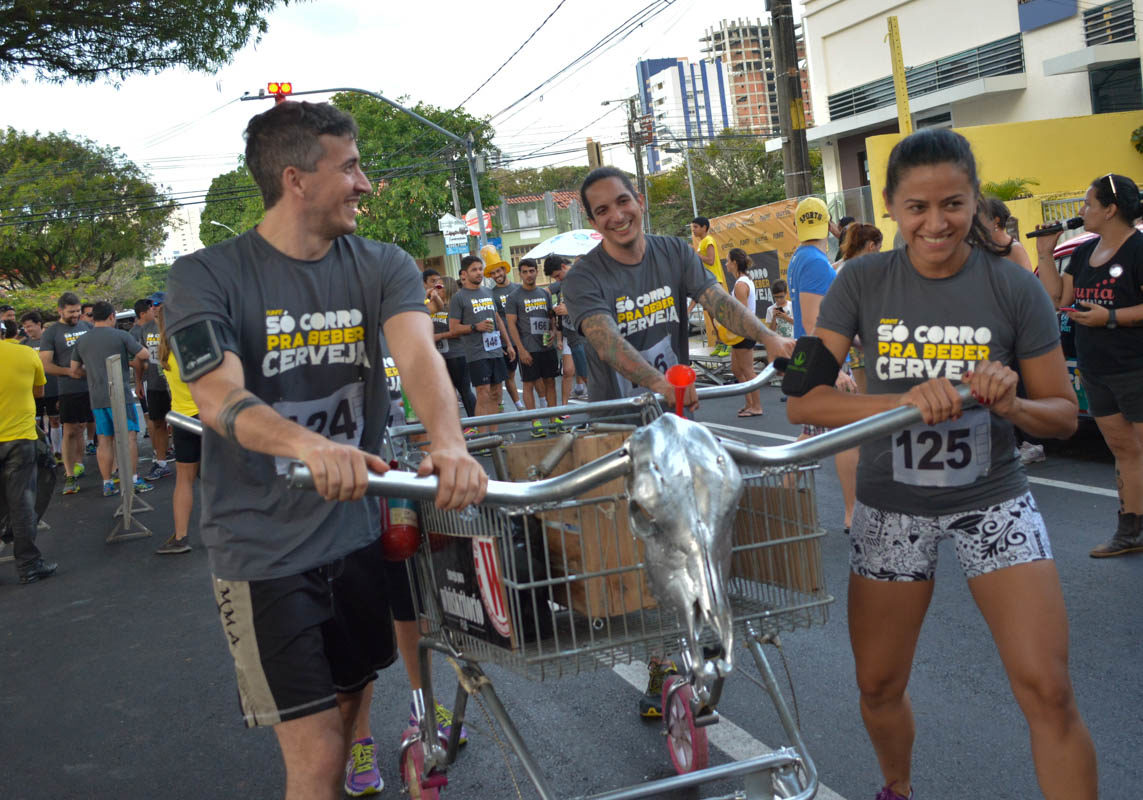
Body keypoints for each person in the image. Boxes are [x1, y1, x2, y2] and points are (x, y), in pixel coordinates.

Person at [163, 100, 485, 800]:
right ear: (296, 180)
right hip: (263, 551)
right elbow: (216, 396)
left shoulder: (382, 265)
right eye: (350, 166)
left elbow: (419, 357)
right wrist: (306, 444)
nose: (365, 183)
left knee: (348, 710)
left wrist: (450, 444)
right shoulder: (204, 276)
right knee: (312, 759)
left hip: (354, 534)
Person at [788, 127, 1096, 800]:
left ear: (973, 201)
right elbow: (800, 401)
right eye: (917, 208)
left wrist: (1012, 403)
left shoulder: (1013, 288)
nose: (936, 223)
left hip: (994, 500)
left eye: (951, 204)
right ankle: (895, 787)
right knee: (877, 683)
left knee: (1048, 690)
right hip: (890, 510)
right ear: (892, 210)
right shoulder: (858, 282)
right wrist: (902, 400)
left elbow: (1063, 416)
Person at [563, 166, 794, 715]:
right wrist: (655, 383)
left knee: (694, 533)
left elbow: (716, 300)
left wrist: (769, 338)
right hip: (620, 424)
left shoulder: (673, 252)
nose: (617, 215)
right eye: (603, 211)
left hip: (679, 420)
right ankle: (659, 657)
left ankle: (694, 633)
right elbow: (605, 340)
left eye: (623, 202)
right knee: (641, 542)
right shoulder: (583, 278)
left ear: (639, 200)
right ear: (593, 222)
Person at [1035, 172, 1143, 558]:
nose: (1081, 211)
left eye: (1088, 204)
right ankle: (1130, 528)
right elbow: (1054, 297)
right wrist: (1046, 253)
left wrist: (1111, 318)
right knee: (1123, 448)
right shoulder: (1082, 252)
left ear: (1111, 210)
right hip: (1096, 367)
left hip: (1135, 365)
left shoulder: (1138, 250)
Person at [788, 197, 860, 532]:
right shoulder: (815, 262)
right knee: (847, 436)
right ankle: (851, 514)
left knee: (811, 437)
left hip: (809, 357)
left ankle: (780, 505)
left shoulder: (801, 258)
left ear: (797, 226)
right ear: (827, 224)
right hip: (822, 359)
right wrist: (837, 370)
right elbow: (816, 321)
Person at [70, 301, 154, 497]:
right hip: (121, 395)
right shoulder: (121, 335)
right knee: (130, 437)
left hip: (97, 396)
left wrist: (91, 372)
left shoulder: (82, 341)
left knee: (105, 440)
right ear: (111, 316)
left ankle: (107, 483)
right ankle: (133, 479)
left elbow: (74, 370)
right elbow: (144, 354)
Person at [0, 319, 56, 584]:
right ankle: (29, 565)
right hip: (19, 438)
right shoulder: (24, 353)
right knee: (21, 502)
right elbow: (39, 390)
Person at [449, 254, 515, 431]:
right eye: (474, 270)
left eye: (480, 269)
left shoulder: (488, 292)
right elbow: (454, 329)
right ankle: (482, 436)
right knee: (483, 393)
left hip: (495, 349)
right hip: (476, 352)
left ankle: (493, 436)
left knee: (497, 393)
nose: (479, 273)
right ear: (464, 274)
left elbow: (497, 319)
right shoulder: (459, 297)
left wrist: (507, 343)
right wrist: (475, 327)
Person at [39, 292, 93, 494]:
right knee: (70, 430)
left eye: (78, 311)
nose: (76, 315)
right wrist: (69, 371)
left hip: (92, 387)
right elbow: (45, 365)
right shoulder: (51, 333)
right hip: (69, 389)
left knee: (89, 429)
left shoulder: (87, 326)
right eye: (71, 312)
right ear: (60, 310)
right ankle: (70, 475)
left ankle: (91, 467)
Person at [154, 306, 196, 555]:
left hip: (182, 419)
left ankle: (180, 536)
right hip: (204, 417)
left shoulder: (165, 350)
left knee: (184, 480)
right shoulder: (192, 347)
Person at [505, 257, 561, 435]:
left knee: (550, 382)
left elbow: (550, 317)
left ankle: (554, 419)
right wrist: (520, 349)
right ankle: (535, 423)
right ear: (519, 274)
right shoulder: (514, 297)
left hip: (546, 347)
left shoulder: (544, 294)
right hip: (528, 348)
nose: (529, 275)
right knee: (528, 384)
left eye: (531, 271)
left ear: (536, 272)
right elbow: (511, 324)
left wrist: (553, 332)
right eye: (525, 272)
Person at [835, 224, 885, 395]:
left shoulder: (842, 267)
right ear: (871, 246)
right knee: (868, 396)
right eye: (879, 248)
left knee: (863, 395)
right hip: (862, 339)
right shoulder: (861, 270)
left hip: (852, 340)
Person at [132, 293, 173, 482]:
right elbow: (139, 359)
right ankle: (161, 462)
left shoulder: (176, 323)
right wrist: (139, 382)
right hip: (155, 383)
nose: (153, 307)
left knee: (186, 423)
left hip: (177, 384)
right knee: (157, 423)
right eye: (150, 304)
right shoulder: (145, 328)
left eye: (156, 303)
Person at [427, 273, 477, 418]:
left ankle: (475, 423)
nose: (436, 289)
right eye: (435, 286)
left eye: (439, 287)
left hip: (457, 353)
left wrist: (440, 336)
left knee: (464, 390)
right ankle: (456, 425)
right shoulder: (434, 306)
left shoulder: (454, 306)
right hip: (440, 355)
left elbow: (460, 330)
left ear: (448, 288)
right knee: (447, 393)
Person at [484, 245, 525, 412]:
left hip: (524, 338)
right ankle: (518, 406)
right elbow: (494, 320)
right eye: (493, 273)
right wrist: (499, 343)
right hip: (504, 341)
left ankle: (540, 406)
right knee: (509, 375)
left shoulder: (518, 289)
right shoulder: (491, 294)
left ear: (504, 270)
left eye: (498, 271)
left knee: (531, 376)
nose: (496, 275)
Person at [545, 255, 589, 402]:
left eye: (558, 275)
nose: (557, 279)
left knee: (588, 376)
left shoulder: (581, 278)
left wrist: (569, 309)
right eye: (555, 278)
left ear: (564, 266)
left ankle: (603, 414)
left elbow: (594, 304)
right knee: (581, 374)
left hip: (584, 336)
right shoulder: (564, 282)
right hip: (571, 336)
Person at [725, 248, 763, 417]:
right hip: (740, 333)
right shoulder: (743, 281)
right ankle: (749, 403)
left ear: (734, 263)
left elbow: (743, 313)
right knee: (736, 370)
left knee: (747, 370)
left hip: (744, 333)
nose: (726, 264)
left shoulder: (741, 284)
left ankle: (757, 406)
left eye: (727, 261)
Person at [20, 312, 61, 460]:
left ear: (39, 324)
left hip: (52, 388)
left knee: (54, 420)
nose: (27, 329)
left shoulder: (50, 340)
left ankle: (58, 452)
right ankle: (43, 452)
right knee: (35, 422)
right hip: (33, 391)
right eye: (24, 327)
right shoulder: (23, 345)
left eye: (29, 326)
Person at [688, 215, 731, 356]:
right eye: (692, 227)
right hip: (705, 282)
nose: (693, 230)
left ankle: (728, 343)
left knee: (718, 315)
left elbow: (711, 260)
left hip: (713, 282)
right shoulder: (701, 243)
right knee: (712, 316)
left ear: (704, 227)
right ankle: (720, 342)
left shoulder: (709, 240)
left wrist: (695, 254)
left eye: (695, 227)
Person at [982, 197, 1033, 272]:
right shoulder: (985, 248)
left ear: (996, 221)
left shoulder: (1015, 249)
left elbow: (1028, 281)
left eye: (981, 219)